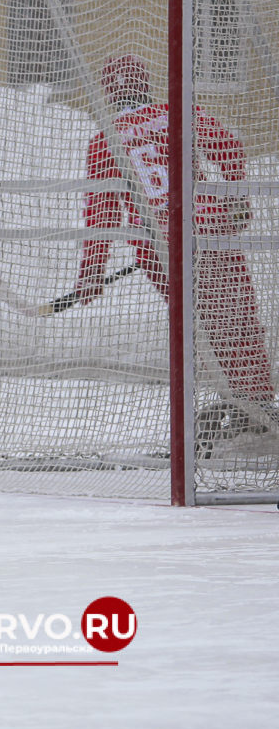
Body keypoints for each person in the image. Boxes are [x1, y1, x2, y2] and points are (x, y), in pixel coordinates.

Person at [72, 53, 276, 443]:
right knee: (237, 318)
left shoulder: (105, 141)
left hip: (159, 246)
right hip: (211, 226)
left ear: (108, 94)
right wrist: (235, 200)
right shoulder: (177, 112)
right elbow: (230, 147)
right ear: (146, 84)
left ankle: (239, 404)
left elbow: (102, 217)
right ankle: (256, 405)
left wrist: (92, 274)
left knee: (197, 325)